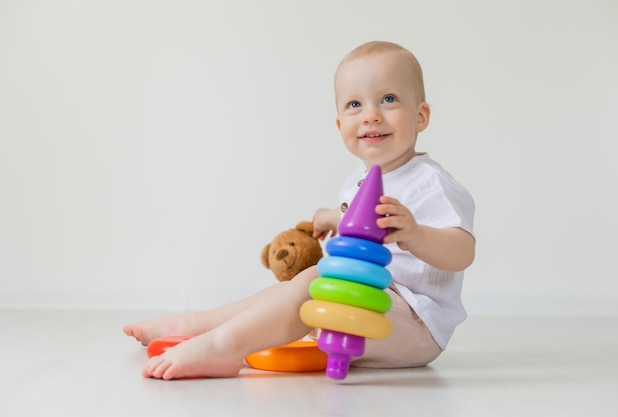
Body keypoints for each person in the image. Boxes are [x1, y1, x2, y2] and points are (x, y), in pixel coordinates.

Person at [123, 40, 475, 380]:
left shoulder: (429, 182)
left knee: (313, 283)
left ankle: (223, 347)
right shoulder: (361, 179)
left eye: (388, 99)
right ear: (340, 125)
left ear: (421, 116)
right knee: (289, 289)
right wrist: (332, 217)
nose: (371, 115)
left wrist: (417, 234)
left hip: (414, 322)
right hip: (366, 299)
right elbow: (366, 229)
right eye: (354, 105)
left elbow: (463, 251)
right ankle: (197, 325)